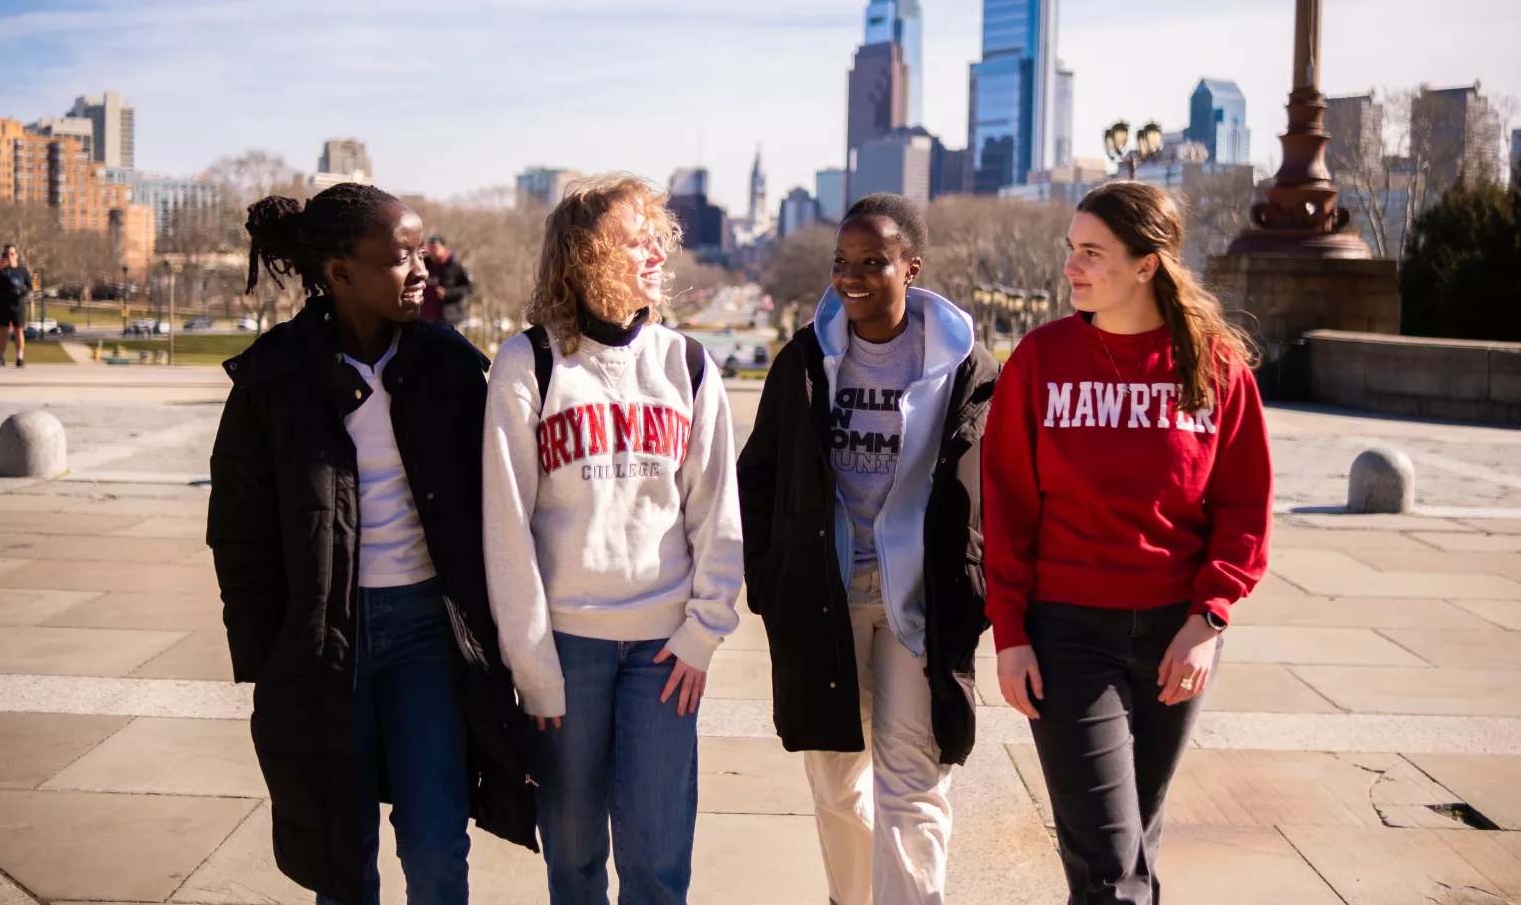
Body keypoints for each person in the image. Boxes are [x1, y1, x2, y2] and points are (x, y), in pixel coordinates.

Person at [206, 183, 536, 905]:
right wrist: (268, 661)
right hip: (326, 642)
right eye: (399, 258)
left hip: (428, 634)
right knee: (340, 856)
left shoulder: (451, 365)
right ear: (339, 271)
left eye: (422, 252)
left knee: (439, 842)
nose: (421, 270)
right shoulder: (273, 378)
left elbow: (507, 498)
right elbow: (239, 536)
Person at [982, 181, 1272, 905]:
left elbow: (1244, 504)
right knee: (1113, 868)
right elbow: (1007, 509)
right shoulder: (1040, 361)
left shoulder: (1215, 365)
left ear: (1147, 265)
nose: (1071, 267)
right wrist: (1011, 633)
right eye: (1070, 250)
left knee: (1132, 842)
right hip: (1068, 633)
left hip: (1179, 633)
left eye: (1091, 253)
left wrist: (1209, 619)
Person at [481, 172, 743, 905]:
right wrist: (532, 665)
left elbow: (717, 511)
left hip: (666, 653)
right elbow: (506, 526)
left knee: (659, 860)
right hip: (566, 650)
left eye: (659, 235)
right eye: (636, 239)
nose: (657, 251)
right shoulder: (527, 364)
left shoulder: (686, 364)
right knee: (571, 855)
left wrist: (703, 631)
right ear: (585, 256)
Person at [737, 194, 999, 905]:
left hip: (918, 603)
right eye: (841, 263)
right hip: (823, 598)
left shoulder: (964, 367)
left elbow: (991, 487)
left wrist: (977, 585)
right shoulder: (806, 359)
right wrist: (770, 581)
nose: (851, 276)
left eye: (872, 262)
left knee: (913, 789)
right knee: (835, 783)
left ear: (911, 268)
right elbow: (757, 473)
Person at [421, 235, 473, 325]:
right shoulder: (423, 265)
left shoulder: (454, 267)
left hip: (447, 318)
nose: (433, 251)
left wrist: (448, 293)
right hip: (424, 317)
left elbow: (468, 288)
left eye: (436, 248)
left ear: (443, 248)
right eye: (430, 248)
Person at [0, 244, 34, 367]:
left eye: (12, 254)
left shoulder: (22, 271)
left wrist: (22, 292)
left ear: (16, 255)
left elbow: (30, 288)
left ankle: (19, 357)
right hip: (4, 304)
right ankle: (1, 357)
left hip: (18, 304)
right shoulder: (1, 271)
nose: (9, 256)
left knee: (18, 330)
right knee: (3, 331)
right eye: (7, 254)